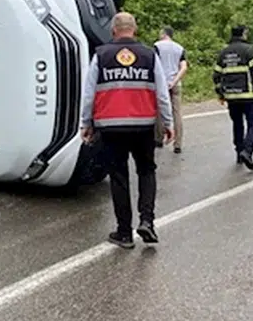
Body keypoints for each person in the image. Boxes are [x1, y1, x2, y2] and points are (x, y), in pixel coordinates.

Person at [79, 12, 173, 249]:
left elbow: (89, 94)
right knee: (146, 171)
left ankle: (124, 232)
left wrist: (86, 123)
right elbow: (162, 93)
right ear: (135, 29)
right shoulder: (149, 55)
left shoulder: (101, 55)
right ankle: (147, 221)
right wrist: (168, 122)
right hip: (143, 125)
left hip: (110, 127)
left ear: (113, 30)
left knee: (119, 176)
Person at [212, 24, 253, 171]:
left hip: (231, 96)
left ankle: (239, 153)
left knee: (237, 123)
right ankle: (247, 151)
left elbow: (216, 75)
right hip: (248, 95)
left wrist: (220, 93)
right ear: (243, 34)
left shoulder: (224, 52)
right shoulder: (249, 50)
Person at [154, 26, 189, 154]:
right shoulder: (179, 48)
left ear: (163, 34)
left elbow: (155, 64)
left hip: (161, 83)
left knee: (159, 110)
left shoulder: (157, 46)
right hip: (175, 83)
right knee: (177, 113)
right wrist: (174, 80)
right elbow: (184, 67)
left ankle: (158, 138)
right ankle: (178, 143)